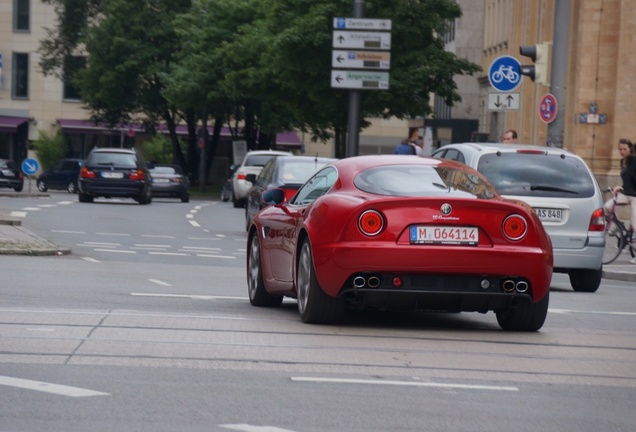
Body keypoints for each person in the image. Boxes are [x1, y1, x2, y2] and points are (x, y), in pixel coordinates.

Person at [606, 138, 636, 254]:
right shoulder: (622, 162)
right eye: (620, 149)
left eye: (624, 149)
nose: (622, 151)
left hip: (635, 196)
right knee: (607, 208)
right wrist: (620, 187)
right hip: (626, 193)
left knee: (634, 224)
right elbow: (627, 180)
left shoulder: (634, 161)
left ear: (630, 149)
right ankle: (620, 225)